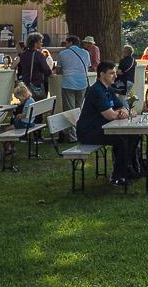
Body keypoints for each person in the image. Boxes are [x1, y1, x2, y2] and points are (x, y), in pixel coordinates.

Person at [78, 56, 139, 185]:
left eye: (115, 73)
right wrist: (122, 113)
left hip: (103, 128)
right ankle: (117, 177)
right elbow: (110, 116)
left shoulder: (108, 89)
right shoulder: (96, 90)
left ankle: (127, 169)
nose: (115, 77)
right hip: (89, 132)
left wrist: (123, 111)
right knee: (122, 140)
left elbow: (121, 107)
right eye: (111, 73)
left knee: (134, 135)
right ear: (101, 74)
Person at [57, 35, 91, 112]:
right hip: (83, 83)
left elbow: (58, 71)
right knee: (79, 107)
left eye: (66, 43)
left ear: (70, 43)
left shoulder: (62, 53)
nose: (65, 45)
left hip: (68, 83)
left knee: (69, 108)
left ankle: (71, 123)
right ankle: (78, 122)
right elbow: (88, 67)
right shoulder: (86, 53)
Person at [16, 35, 52, 99]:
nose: (41, 44)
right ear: (35, 43)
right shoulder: (39, 55)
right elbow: (46, 70)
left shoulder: (23, 54)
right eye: (40, 42)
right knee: (39, 104)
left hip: (25, 84)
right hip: (36, 84)